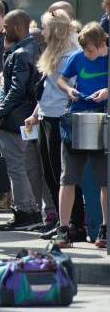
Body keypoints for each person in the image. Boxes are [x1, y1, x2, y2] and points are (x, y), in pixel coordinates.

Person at [24, 9, 88, 242]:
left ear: (56, 29)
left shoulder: (72, 52)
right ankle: (65, 222)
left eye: (45, 27)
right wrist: (35, 113)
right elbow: (47, 89)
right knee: (51, 174)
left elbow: (70, 87)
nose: (42, 31)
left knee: (64, 175)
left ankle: (75, 224)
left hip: (61, 117)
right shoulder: (55, 50)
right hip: (47, 115)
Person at [51, 22, 109, 249]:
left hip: (103, 121)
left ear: (103, 45)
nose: (88, 54)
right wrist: (68, 90)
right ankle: (63, 228)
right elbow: (61, 79)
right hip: (78, 119)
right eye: (85, 50)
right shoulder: (78, 57)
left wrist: (107, 92)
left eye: (92, 51)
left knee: (105, 180)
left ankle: (105, 228)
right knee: (69, 178)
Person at [0, 9, 43, 231]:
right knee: (25, 165)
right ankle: (30, 210)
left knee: (16, 167)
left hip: (14, 120)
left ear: (18, 28)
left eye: (5, 28)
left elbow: (16, 89)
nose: (3, 33)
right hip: (24, 117)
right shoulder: (33, 49)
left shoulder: (21, 53)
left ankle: (25, 212)